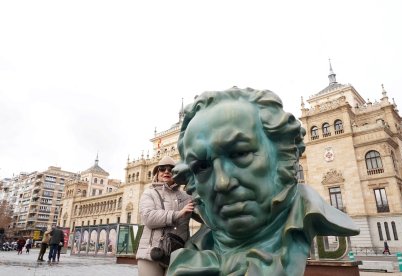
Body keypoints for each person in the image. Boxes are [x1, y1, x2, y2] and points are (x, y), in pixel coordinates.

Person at [169, 87, 360, 275]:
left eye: (240, 154)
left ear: (284, 152)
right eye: (202, 167)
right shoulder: (191, 255)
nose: (222, 182)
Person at [136, 156, 195, 276]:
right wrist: (178, 214)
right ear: (157, 174)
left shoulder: (187, 197)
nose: (166, 171)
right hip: (150, 255)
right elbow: (148, 218)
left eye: (171, 169)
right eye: (162, 169)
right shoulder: (149, 193)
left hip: (177, 255)